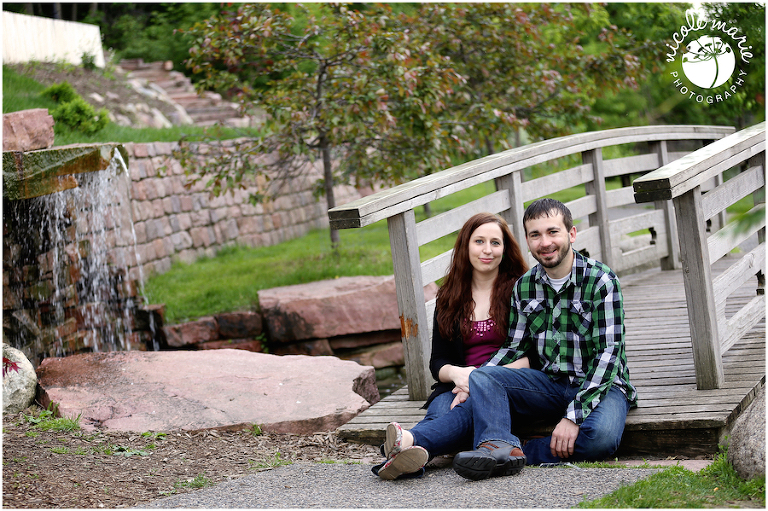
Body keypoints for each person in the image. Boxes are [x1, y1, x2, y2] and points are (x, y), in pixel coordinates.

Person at [377, 198, 638, 482]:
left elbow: (609, 354)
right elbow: (513, 347)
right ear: (527, 241)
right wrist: (478, 380)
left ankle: (514, 451)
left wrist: (573, 417)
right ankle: (490, 446)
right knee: (481, 382)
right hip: (550, 383)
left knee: (600, 437)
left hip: (603, 385)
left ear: (571, 234)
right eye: (535, 235)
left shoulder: (601, 281)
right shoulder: (525, 286)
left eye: (553, 232)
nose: (545, 242)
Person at [373, 212, 529, 480]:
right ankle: (412, 458)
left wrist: (479, 379)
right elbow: (438, 362)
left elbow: (532, 357)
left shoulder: (521, 291)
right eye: (479, 241)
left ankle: (408, 441)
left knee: (465, 411)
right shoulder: (449, 296)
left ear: (505, 249)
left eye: (495, 242)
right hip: (456, 384)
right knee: (443, 412)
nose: (487, 250)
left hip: (504, 385)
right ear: (466, 246)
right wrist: (460, 375)